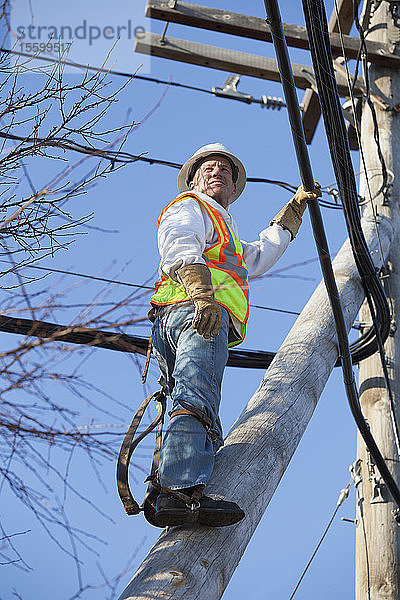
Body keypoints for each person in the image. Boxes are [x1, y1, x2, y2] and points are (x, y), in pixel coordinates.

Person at [149, 143, 321, 528]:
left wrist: (290, 216)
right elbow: (177, 245)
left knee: (186, 393)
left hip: (186, 317)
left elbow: (257, 256)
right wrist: (203, 296)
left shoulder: (224, 232)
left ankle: (173, 486)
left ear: (234, 187)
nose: (217, 173)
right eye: (208, 169)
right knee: (197, 392)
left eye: (225, 171)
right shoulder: (190, 207)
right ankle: (180, 490)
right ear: (193, 181)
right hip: (196, 313)